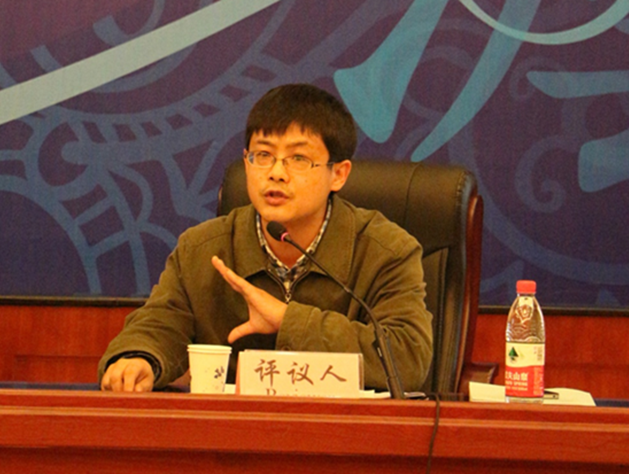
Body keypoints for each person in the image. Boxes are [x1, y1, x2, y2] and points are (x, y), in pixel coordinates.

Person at [99, 83, 433, 393]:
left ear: (339, 174)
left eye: (299, 159)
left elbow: (407, 359)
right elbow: (160, 324)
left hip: (345, 431)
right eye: (263, 155)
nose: (276, 173)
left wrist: (288, 321)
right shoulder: (203, 250)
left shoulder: (386, 251)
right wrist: (140, 357)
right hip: (233, 431)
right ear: (246, 162)